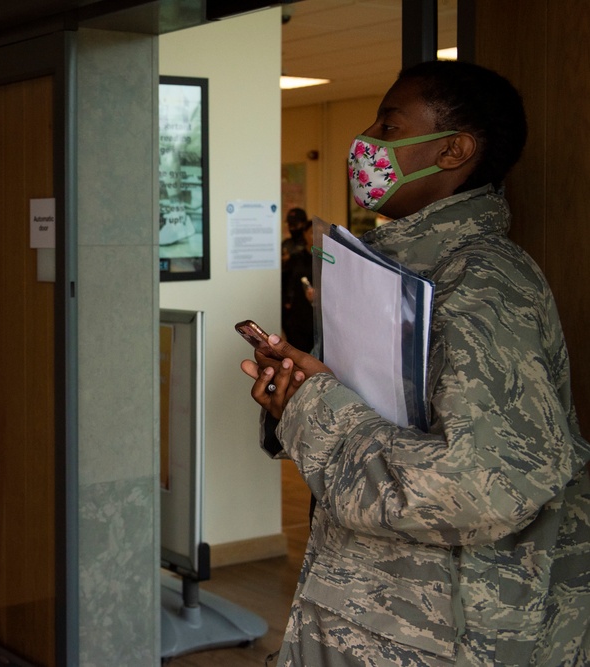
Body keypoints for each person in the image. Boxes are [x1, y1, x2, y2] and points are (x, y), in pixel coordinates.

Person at [242, 60, 590, 665]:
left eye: (389, 126)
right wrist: (295, 396)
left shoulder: (483, 281)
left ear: (454, 150)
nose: (366, 144)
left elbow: (482, 483)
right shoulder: (396, 271)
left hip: (443, 639)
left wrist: (316, 410)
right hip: (380, 617)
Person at [280, 213, 315, 353]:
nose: (316, 236)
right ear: (305, 234)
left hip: (320, 319)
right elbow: (284, 285)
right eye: (312, 233)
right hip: (298, 318)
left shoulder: (331, 260)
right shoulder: (295, 259)